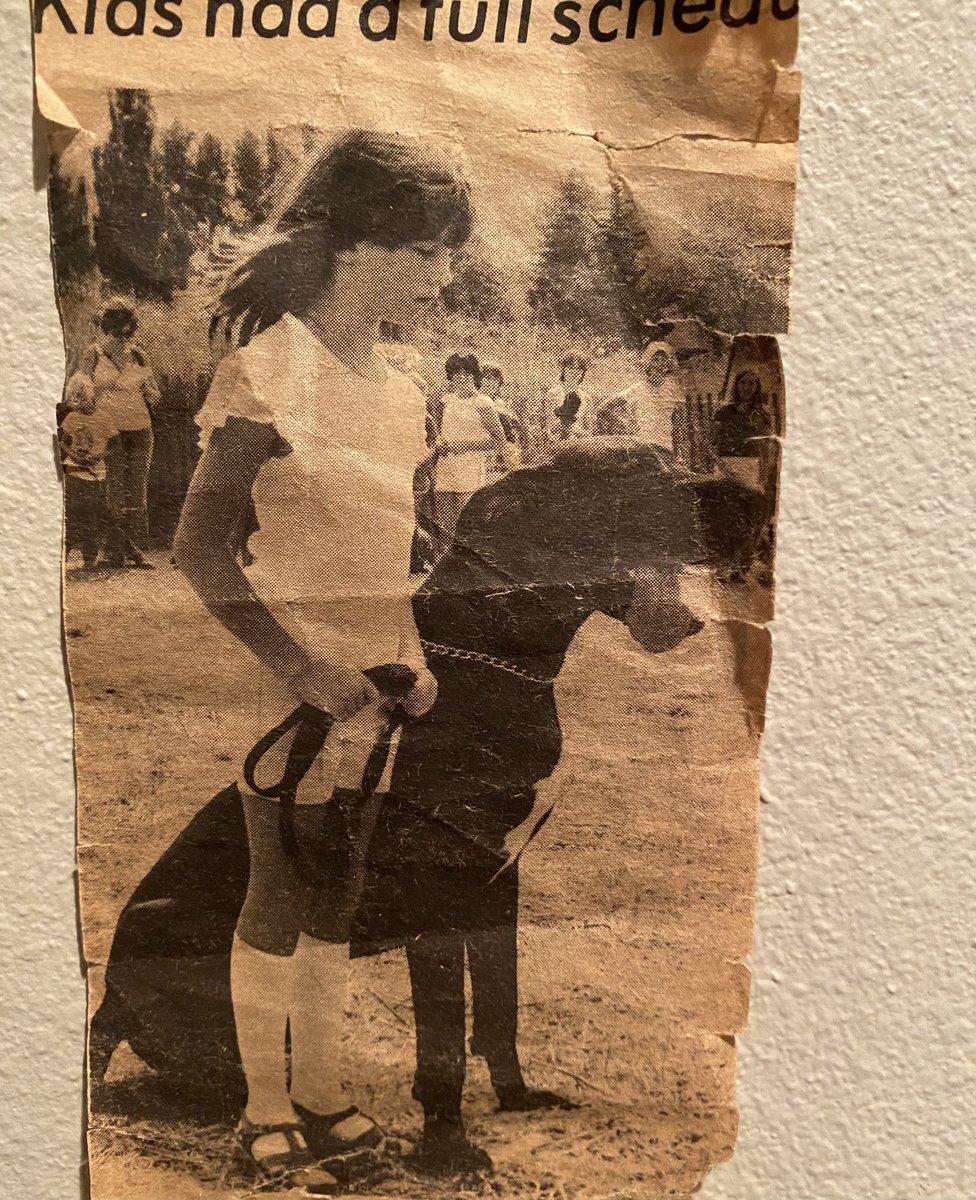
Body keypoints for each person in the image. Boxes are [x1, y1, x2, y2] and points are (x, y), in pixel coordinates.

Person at [173, 129, 470, 1193]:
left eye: (448, 255)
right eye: (427, 251)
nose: (443, 275)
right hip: (284, 683)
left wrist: (407, 656)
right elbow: (199, 550)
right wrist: (301, 670)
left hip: (376, 684)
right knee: (278, 888)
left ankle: (327, 1093)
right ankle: (264, 1111)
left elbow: (387, 548)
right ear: (355, 244)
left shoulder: (402, 386)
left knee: (339, 890)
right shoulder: (266, 370)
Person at [82, 300, 160, 569]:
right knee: (114, 489)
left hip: (141, 428)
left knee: (136, 491)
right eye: (116, 331)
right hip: (108, 430)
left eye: (127, 331)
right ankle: (116, 550)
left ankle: (130, 547)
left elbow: (153, 391)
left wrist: (150, 392)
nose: (122, 337)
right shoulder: (93, 354)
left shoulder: (139, 355)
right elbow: (81, 392)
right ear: (106, 328)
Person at [432, 353, 511, 557]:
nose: (462, 378)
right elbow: (442, 432)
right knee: (444, 525)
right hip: (446, 466)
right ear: (451, 377)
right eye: (456, 374)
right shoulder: (447, 401)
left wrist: (463, 446)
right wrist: (439, 442)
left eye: (467, 374)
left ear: (474, 377)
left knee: (464, 523)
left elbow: (498, 440)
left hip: (470, 468)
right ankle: (442, 571)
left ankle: (465, 573)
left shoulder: (483, 403)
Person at [59, 373, 111, 569]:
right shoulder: (72, 417)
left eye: (81, 397)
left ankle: (90, 555)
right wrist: (74, 454)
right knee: (72, 513)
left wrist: (99, 456)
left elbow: (111, 445)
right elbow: (62, 441)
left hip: (96, 473)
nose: (78, 403)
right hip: (73, 470)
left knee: (91, 515)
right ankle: (67, 551)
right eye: (74, 398)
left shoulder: (103, 417)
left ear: (91, 395)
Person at [593, 342, 684, 448]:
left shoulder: (672, 390)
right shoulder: (636, 389)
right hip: (642, 449)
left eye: (663, 361)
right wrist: (625, 424)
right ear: (648, 364)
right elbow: (604, 408)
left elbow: (678, 424)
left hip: (666, 447)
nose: (658, 365)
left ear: (668, 366)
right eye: (655, 360)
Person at [710, 369, 772, 490]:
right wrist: (719, 463)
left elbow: (765, 446)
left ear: (756, 387)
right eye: (743, 383)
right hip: (726, 462)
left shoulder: (762, 415)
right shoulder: (725, 412)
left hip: (751, 464)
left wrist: (763, 473)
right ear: (736, 385)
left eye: (751, 383)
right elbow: (713, 440)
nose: (746, 387)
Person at [479, 361, 521, 471]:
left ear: (499, 383)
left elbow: (510, 436)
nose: (490, 382)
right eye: (486, 378)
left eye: (494, 379)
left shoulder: (501, 405)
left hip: (497, 455)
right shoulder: (474, 401)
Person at [545, 353, 592, 440]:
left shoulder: (586, 398)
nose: (573, 373)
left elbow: (589, 431)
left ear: (582, 373)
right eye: (570, 369)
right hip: (557, 443)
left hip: (579, 444)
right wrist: (563, 424)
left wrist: (576, 431)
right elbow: (548, 429)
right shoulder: (552, 394)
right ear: (563, 370)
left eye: (578, 370)